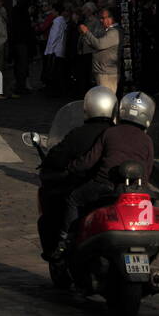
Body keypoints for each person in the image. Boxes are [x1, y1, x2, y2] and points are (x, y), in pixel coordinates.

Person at [54, 92, 156, 252]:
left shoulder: (110, 132)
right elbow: (148, 170)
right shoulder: (147, 140)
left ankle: (66, 239)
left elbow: (89, 160)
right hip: (135, 190)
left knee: (73, 199)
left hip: (105, 184)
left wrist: (71, 167)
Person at [39, 84, 116, 256]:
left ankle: (64, 241)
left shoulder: (79, 134)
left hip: (88, 185)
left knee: (63, 201)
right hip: (113, 186)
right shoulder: (116, 133)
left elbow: (58, 156)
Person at [78, 5, 121, 96]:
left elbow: (99, 44)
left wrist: (87, 32)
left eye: (103, 18)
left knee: (106, 100)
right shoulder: (108, 31)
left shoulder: (114, 32)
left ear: (110, 18)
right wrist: (86, 36)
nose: (101, 21)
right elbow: (95, 45)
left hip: (107, 73)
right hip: (102, 71)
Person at [10, 0, 36, 96]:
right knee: (22, 65)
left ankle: (20, 85)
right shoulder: (23, 12)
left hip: (16, 42)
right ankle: (21, 86)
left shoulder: (15, 10)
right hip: (22, 42)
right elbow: (26, 28)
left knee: (19, 65)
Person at [44, 4, 70, 95]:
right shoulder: (62, 21)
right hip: (60, 49)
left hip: (55, 50)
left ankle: (54, 90)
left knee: (54, 71)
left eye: (53, 10)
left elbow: (53, 37)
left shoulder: (56, 21)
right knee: (58, 71)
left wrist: (50, 50)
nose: (52, 12)